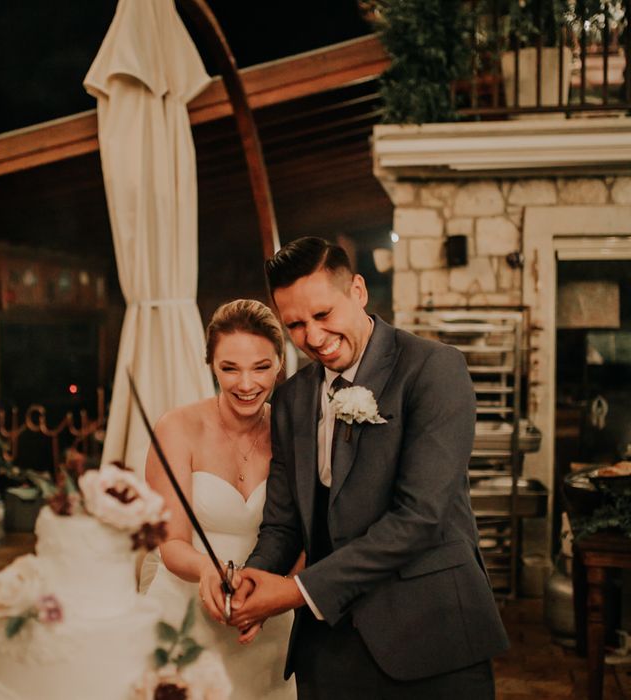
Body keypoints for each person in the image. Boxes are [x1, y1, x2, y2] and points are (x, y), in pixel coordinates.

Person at [202, 237, 509, 699]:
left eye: (323, 315)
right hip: (329, 647)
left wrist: (292, 592)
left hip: (432, 635)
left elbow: (421, 518)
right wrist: (253, 578)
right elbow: (284, 521)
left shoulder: (433, 369)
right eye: (295, 325)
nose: (314, 337)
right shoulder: (291, 397)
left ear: (359, 291)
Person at [142, 299, 296, 700]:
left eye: (261, 367)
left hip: (267, 620)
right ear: (210, 364)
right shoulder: (176, 428)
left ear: (281, 362)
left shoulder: (294, 432)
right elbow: (171, 542)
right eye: (230, 368)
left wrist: (275, 598)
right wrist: (207, 570)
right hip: (185, 613)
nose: (246, 384)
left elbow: (305, 535)